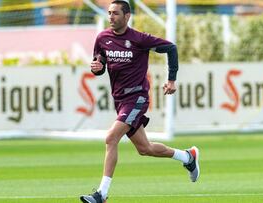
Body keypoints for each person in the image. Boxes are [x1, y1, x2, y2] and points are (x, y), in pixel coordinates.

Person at [80, 1, 200, 203]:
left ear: (127, 17)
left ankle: (102, 194)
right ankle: (188, 157)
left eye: (115, 13)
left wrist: (171, 79)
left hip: (137, 98)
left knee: (111, 138)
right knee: (145, 149)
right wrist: (96, 68)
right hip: (119, 100)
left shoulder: (139, 39)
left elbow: (171, 48)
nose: (110, 17)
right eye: (109, 13)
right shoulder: (102, 38)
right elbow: (99, 65)